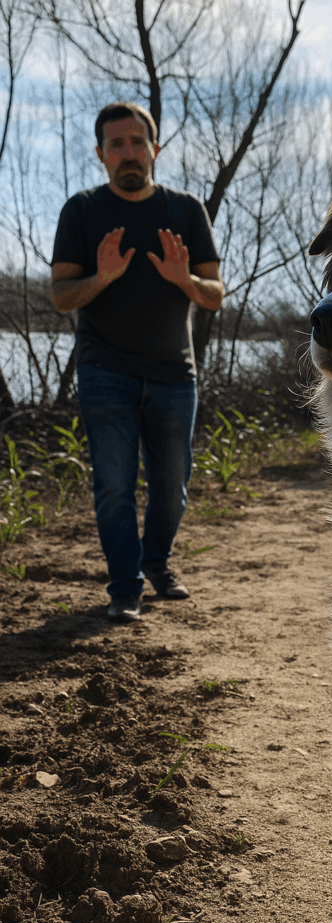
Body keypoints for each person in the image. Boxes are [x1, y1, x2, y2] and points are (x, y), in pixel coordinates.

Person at [50, 102, 224, 622]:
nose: (128, 153)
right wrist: (101, 277)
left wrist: (184, 280)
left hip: (174, 375)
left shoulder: (186, 211)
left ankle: (157, 562)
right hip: (105, 371)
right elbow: (60, 296)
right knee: (114, 487)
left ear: (155, 149)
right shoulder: (81, 211)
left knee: (172, 490)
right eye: (116, 144)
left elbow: (215, 295)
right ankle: (125, 587)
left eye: (137, 142)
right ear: (101, 154)